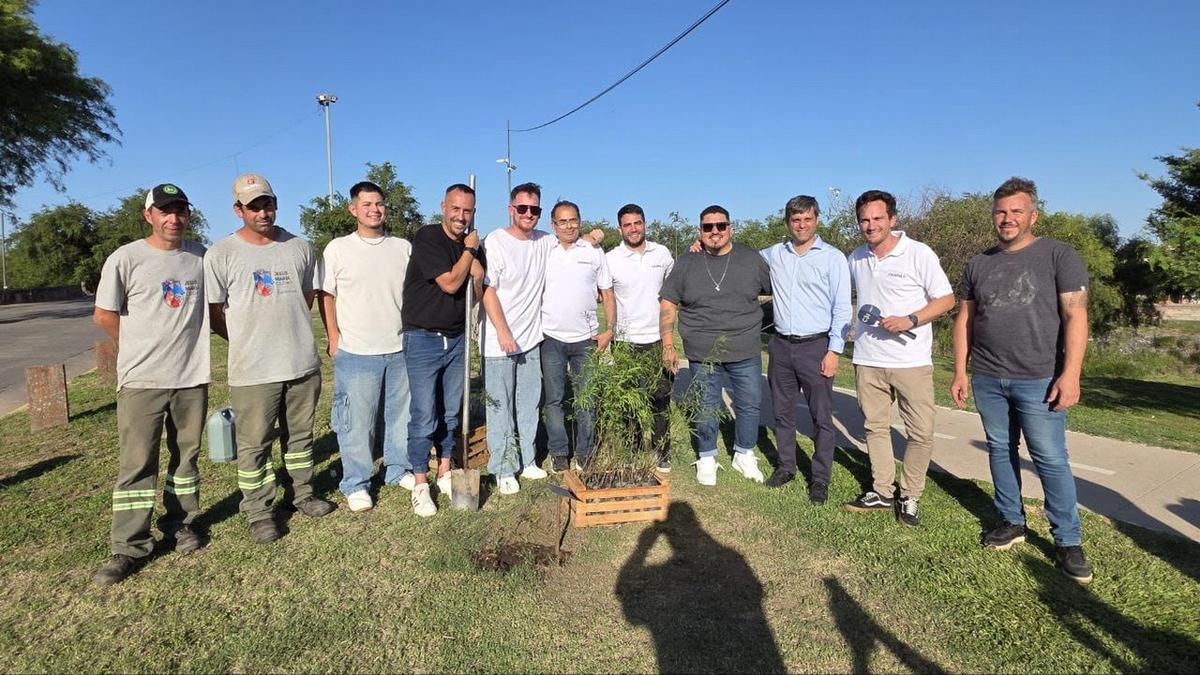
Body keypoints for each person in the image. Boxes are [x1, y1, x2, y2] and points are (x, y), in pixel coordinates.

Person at [951, 177, 1094, 584]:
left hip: (1040, 378)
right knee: (1000, 448)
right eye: (1000, 211)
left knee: (1049, 458)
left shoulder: (1059, 256)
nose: (1007, 218)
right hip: (988, 376)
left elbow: (1076, 316)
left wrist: (1071, 374)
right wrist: (961, 370)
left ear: (1033, 215)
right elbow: (965, 319)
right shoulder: (978, 263)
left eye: (1016, 211)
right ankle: (1011, 521)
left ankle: (1068, 540)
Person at [205, 173, 335, 545]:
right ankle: (259, 511)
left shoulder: (300, 247)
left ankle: (303, 494)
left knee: (300, 438)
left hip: (300, 364)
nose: (263, 212)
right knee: (255, 444)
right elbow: (215, 311)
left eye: (268, 204)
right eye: (253, 206)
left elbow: (308, 296)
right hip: (253, 370)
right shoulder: (222, 254)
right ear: (238, 209)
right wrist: (243, 337)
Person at [91, 183, 211, 585]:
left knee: (186, 459)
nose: (173, 218)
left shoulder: (199, 257)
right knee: (137, 463)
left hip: (191, 378)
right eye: (164, 211)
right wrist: (139, 349)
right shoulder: (126, 258)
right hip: (142, 380)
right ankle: (129, 545)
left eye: (180, 211)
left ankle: (181, 524)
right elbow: (105, 315)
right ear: (149, 215)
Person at [845, 190, 954, 526]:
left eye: (877, 218)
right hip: (868, 359)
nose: (870, 225)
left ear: (892, 219)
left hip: (911, 362)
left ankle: (910, 495)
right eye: (864, 219)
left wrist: (911, 320)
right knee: (874, 427)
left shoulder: (918, 253)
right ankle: (881, 490)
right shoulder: (856, 258)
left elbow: (946, 299)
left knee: (920, 432)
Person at [318, 181, 413, 514]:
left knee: (400, 417)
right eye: (367, 204)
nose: (375, 209)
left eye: (380, 204)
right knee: (357, 422)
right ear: (353, 209)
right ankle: (356, 482)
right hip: (357, 350)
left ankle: (397, 468)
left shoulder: (402, 247)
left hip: (399, 347)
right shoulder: (338, 249)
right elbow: (326, 296)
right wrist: (334, 337)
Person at [659, 205, 772, 486]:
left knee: (749, 404)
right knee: (706, 405)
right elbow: (668, 301)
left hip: (744, 349)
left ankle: (744, 453)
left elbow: (777, 292)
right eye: (708, 227)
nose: (715, 232)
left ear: (730, 227)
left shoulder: (751, 259)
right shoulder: (687, 262)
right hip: (702, 350)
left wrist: (762, 322)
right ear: (700, 231)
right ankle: (707, 456)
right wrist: (668, 342)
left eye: (720, 225)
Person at [760, 195, 852, 503]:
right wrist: (700, 247)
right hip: (782, 346)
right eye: (796, 220)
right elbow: (738, 258)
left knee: (821, 417)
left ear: (816, 220)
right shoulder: (774, 254)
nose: (801, 225)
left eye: (807, 219)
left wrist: (834, 351)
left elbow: (842, 309)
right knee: (783, 412)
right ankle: (786, 467)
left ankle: (820, 478)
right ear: (788, 222)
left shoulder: (833, 257)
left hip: (817, 346)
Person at [401, 183, 485, 517]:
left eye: (467, 211)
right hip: (423, 337)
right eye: (455, 209)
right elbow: (450, 283)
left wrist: (476, 271)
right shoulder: (428, 237)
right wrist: (469, 254)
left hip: (457, 337)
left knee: (451, 411)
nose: (460, 216)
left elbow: (474, 292)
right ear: (443, 207)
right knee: (425, 413)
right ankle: (421, 482)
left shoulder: (473, 247)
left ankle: (445, 470)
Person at [540, 199, 615, 472]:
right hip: (551, 338)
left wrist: (609, 330)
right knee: (555, 399)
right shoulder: (545, 248)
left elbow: (607, 293)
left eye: (573, 220)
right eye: (563, 221)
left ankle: (585, 453)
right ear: (553, 225)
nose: (569, 225)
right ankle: (558, 452)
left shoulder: (594, 251)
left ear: (580, 221)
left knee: (587, 398)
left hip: (587, 339)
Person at [605, 203, 675, 471]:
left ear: (645, 224)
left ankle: (661, 451)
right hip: (625, 341)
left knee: (660, 399)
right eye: (627, 224)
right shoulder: (611, 259)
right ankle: (633, 450)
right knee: (629, 402)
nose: (633, 229)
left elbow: (673, 289)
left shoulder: (663, 253)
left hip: (658, 339)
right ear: (620, 228)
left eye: (637, 223)